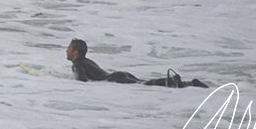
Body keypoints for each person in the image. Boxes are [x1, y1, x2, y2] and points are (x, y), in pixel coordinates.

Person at [65, 38, 207, 88]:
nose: (66, 51)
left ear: (76, 52)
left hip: (115, 79)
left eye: (69, 49)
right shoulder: (86, 61)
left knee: (146, 84)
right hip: (118, 76)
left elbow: (82, 82)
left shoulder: (78, 65)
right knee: (145, 83)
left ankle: (178, 82)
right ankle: (186, 83)